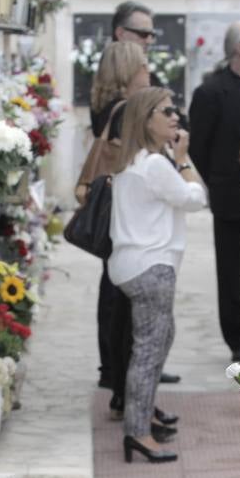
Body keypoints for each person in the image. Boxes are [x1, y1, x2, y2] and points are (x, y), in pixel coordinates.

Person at [109, 87, 207, 464]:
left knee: (158, 340)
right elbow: (196, 198)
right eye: (166, 111)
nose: (175, 116)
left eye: (175, 109)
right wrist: (182, 160)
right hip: (151, 265)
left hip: (135, 263)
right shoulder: (155, 164)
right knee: (149, 351)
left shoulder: (137, 159)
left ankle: (143, 413)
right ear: (145, 118)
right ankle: (138, 433)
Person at [190, 20, 240, 363]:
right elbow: (199, 150)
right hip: (229, 195)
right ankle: (237, 339)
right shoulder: (210, 91)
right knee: (229, 272)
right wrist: (217, 182)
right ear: (239, 48)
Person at [87, 41, 150, 421]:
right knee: (125, 303)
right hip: (126, 216)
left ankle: (117, 379)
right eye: (142, 66)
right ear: (128, 72)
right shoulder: (124, 111)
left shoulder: (106, 107)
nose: (148, 72)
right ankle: (127, 388)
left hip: (117, 216)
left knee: (114, 296)